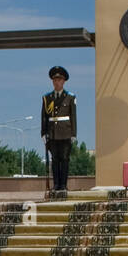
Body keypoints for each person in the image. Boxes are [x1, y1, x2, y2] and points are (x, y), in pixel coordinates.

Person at [41, 65, 77, 194]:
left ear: (64, 81)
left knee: (65, 159)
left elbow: (73, 116)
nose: (57, 82)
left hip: (65, 132)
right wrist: (43, 133)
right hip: (52, 133)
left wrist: (73, 133)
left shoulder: (70, 97)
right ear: (52, 81)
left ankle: (63, 184)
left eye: (59, 80)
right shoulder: (47, 98)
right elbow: (44, 117)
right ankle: (56, 184)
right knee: (55, 159)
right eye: (55, 80)